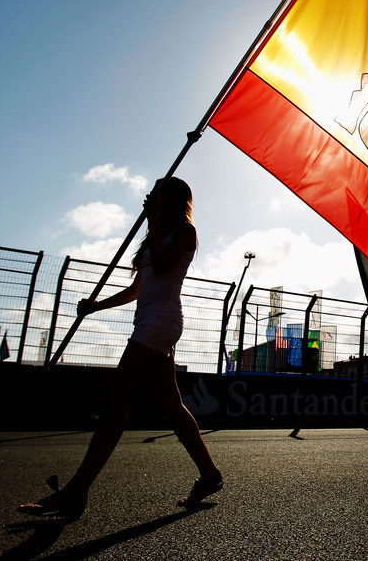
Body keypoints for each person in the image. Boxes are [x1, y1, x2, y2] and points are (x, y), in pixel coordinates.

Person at [19, 177, 222, 518]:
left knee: (117, 401)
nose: (149, 196)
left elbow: (162, 265)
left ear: (168, 199)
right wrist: (96, 306)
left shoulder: (184, 232)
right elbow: (137, 289)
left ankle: (76, 492)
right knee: (172, 405)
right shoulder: (153, 235)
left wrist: (153, 220)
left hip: (161, 322)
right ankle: (210, 475)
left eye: (156, 192)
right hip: (150, 322)